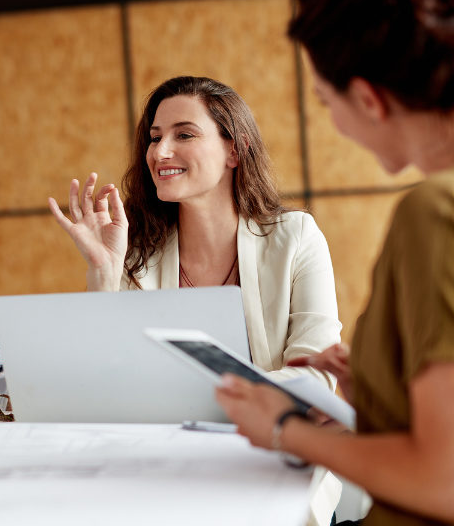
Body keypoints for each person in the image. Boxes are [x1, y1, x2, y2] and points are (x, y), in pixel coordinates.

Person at [214, 0, 454, 525]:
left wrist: (284, 428)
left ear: (368, 99)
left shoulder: (433, 213)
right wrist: (378, 379)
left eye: (326, 102)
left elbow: (442, 481)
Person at [49, 75, 343, 525]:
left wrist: (207, 402)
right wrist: (104, 272)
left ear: (234, 150)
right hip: (167, 467)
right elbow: (106, 383)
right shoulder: (137, 253)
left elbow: (316, 378)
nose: (159, 151)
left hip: (275, 458)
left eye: (183, 134)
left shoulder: (296, 237)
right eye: (154, 137)